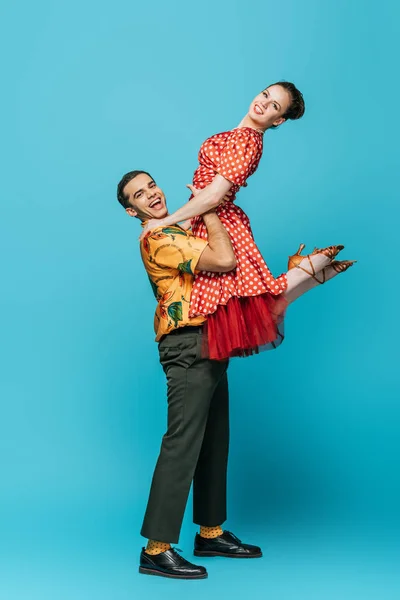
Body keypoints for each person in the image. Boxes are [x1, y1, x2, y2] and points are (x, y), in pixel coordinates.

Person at [117, 170, 264, 580]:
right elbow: (223, 260)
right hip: (185, 345)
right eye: (139, 196)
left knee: (214, 438)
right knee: (182, 441)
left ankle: (211, 532)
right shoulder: (159, 236)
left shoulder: (178, 227)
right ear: (133, 211)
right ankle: (156, 548)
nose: (151, 195)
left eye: (151, 186)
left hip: (210, 337)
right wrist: (211, 208)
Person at [140, 82, 355, 360]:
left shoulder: (247, 139)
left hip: (220, 219)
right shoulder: (240, 134)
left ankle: (307, 272)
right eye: (266, 94)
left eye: (274, 106)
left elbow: (214, 195)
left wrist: (163, 222)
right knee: (238, 299)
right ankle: (309, 272)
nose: (264, 103)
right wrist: (187, 222)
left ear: (278, 120)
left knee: (236, 301)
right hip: (208, 217)